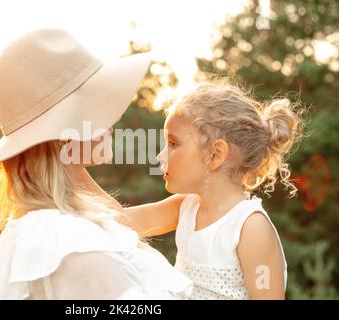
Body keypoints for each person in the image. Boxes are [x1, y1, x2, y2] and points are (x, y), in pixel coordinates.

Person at [0, 28, 193, 300]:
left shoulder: (51, 221)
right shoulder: (68, 241)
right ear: (64, 133)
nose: (112, 119)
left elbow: (122, 219)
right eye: (96, 103)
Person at [122, 79, 304, 299]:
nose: (160, 156)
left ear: (215, 154)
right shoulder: (186, 206)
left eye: (173, 143)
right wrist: (74, 169)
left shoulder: (250, 228)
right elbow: (119, 221)